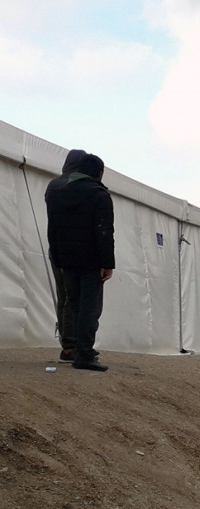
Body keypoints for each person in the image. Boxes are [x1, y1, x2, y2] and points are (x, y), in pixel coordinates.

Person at [44, 153, 114, 372]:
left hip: (66, 259)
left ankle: (72, 348)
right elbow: (104, 232)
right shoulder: (99, 194)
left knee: (73, 305)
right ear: (99, 173)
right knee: (90, 308)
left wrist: (58, 258)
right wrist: (108, 263)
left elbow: (52, 230)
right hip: (91, 260)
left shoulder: (56, 190)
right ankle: (85, 354)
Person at [44, 148, 87, 362]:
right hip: (74, 250)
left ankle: (67, 344)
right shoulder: (78, 186)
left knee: (64, 296)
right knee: (74, 297)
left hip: (56, 248)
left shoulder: (53, 185)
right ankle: (72, 345)